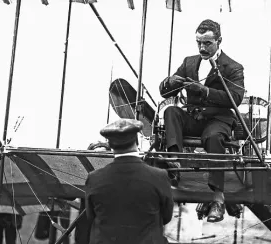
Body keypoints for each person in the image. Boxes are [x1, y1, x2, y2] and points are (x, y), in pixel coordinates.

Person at [159, 19, 245, 223]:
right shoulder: (189, 62)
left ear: (219, 41)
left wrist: (205, 90)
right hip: (194, 119)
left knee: (214, 137)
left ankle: (217, 199)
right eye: (199, 42)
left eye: (207, 43)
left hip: (218, 119)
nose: (202, 47)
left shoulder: (233, 67)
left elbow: (236, 99)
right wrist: (169, 82)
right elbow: (166, 92)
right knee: (171, 111)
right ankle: (175, 163)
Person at [85, 118, 174, 244]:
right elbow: (166, 216)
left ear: (110, 145)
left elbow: (91, 216)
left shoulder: (94, 178)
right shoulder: (159, 176)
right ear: (136, 141)